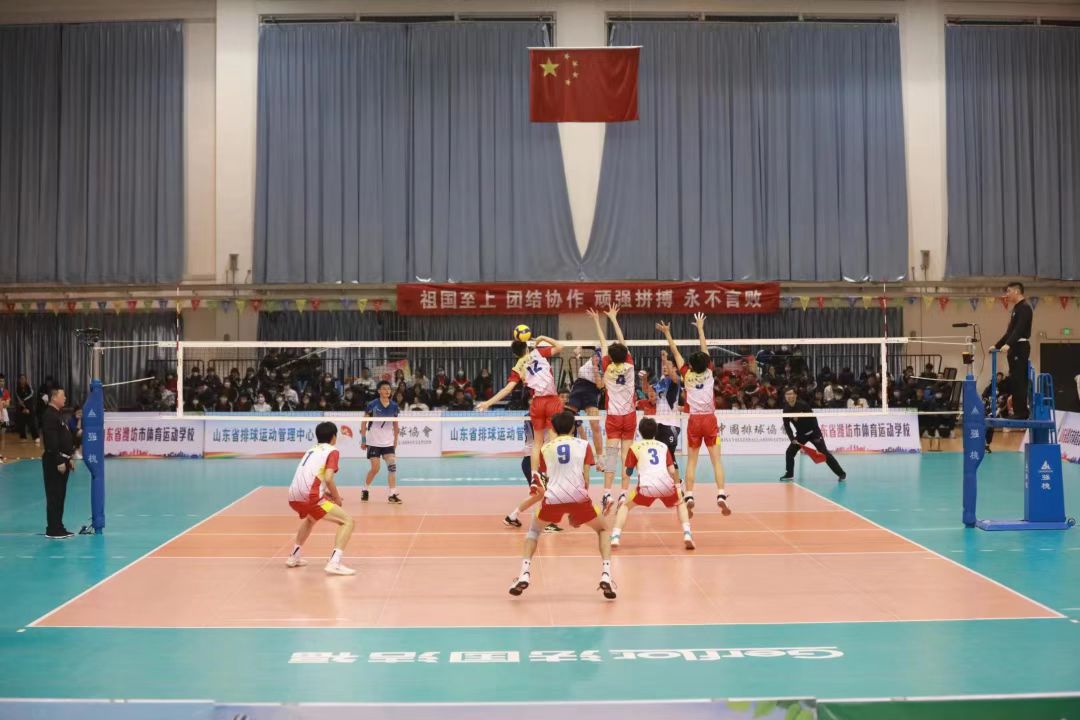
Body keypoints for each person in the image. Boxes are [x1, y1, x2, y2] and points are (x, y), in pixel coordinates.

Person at [507, 411, 615, 600]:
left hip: (553, 498)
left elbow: (546, 476)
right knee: (603, 529)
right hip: (579, 498)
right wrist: (577, 512)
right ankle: (606, 574)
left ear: (554, 429)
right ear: (573, 427)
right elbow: (586, 477)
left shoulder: (546, 448)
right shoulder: (584, 445)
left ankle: (524, 573)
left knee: (534, 531)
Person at [657, 314, 731, 516]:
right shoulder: (709, 372)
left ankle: (689, 495)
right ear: (706, 363)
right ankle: (721, 494)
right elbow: (704, 348)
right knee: (716, 460)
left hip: (694, 421)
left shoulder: (686, 374)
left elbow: (675, 351)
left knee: (691, 461)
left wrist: (667, 333)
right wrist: (700, 327)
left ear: (691, 365)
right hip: (709, 419)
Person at [478, 332, 564, 493]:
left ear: (515, 354)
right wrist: (542, 338)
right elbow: (560, 347)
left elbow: (507, 389)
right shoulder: (538, 352)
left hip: (536, 403)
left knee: (537, 442)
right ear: (527, 346)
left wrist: (488, 403)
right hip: (552, 400)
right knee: (553, 440)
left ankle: (534, 476)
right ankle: (553, 474)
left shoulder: (517, 367)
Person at [610, 418, 694, 550]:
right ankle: (687, 534)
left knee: (625, 506)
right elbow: (672, 470)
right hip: (666, 486)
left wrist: (634, 467)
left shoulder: (635, 447)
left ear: (640, 432)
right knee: (681, 503)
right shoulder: (663, 446)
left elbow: (628, 472)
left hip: (646, 487)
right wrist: (678, 487)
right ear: (656, 432)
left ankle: (615, 536)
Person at [286, 421, 356, 575]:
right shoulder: (332, 451)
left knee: (311, 519)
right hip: (310, 497)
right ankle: (334, 563)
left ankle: (294, 556)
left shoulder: (311, 450)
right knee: (348, 521)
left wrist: (325, 493)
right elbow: (329, 478)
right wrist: (337, 498)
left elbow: (310, 477)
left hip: (293, 496)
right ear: (334, 437)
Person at [586, 305, 637, 514]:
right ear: (625, 355)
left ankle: (607, 493)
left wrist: (596, 320)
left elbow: (603, 343)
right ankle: (624, 492)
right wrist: (614, 319)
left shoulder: (606, 367)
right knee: (626, 456)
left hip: (614, 417)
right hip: (629, 416)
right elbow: (622, 341)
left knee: (612, 455)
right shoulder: (630, 365)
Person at [503, 420, 562, 533]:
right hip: (534, 460)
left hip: (532, 460)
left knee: (539, 494)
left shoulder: (531, 416)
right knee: (546, 492)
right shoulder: (541, 419)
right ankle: (547, 522)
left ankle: (512, 517)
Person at [780, 387, 846, 482]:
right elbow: (787, 426)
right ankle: (789, 474)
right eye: (787, 394)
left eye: (791, 394)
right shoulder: (786, 410)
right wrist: (792, 438)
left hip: (814, 433)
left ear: (795, 395)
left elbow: (813, 419)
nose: (789, 396)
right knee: (789, 452)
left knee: (824, 453)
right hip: (801, 435)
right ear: (785, 396)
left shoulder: (803, 405)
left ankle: (841, 473)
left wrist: (801, 418)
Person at [41, 388, 76, 539]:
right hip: (54, 461)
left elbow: (63, 438)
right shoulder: (49, 415)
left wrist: (69, 458)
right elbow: (51, 442)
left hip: (63, 459)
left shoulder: (58, 414)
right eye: (63, 396)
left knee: (60, 495)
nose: (65, 398)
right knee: (54, 495)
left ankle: (59, 526)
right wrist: (59, 460)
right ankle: (52, 529)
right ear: (54, 397)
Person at [995, 281, 1033, 420]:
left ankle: (1022, 412)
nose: (1007, 294)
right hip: (1014, 347)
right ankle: (1018, 411)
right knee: (1014, 380)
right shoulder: (1016, 308)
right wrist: (997, 345)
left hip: (1020, 347)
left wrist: (1009, 344)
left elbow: (1019, 329)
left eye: (1009, 291)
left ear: (1016, 291)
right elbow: (1010, 332)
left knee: (1019, 380)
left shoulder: (1025, 308)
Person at [361, 381, 402, 504]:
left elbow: (396, 424)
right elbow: (363, 422)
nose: (387, 391)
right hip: (373, 442)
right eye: (384, 389)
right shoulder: (372, 405)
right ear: (379, 391)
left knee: (392, 467)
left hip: (388, 443)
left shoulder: (394, 406)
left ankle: (392, 494)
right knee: (375, 468)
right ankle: (365, 489)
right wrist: (363, 440)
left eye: (389, 389)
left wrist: (395, 440)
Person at [565, 346, 605, 464]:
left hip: (592, 390)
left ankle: (600, 458)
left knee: (595, 424)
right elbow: (592, 345)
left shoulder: (609, 367)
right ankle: (568, 451)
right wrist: (579, 348)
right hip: (579, 385)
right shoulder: (600, 350)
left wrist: (595, 368)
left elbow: (600, 385)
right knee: (568, 419)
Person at [14, 374, 38, 443]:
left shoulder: (29, 387)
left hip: (29, 407)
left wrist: (28, 409)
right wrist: (23, 408)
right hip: (21, 408)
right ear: (19, 380)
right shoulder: (17, 389)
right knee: (21, 423)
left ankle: (36, 437)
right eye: (21, 379)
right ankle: (23, 436)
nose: (23, 380)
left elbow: (31, 397)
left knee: (32, 423)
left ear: (26, 380)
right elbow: (18, 400)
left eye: (24, 379)